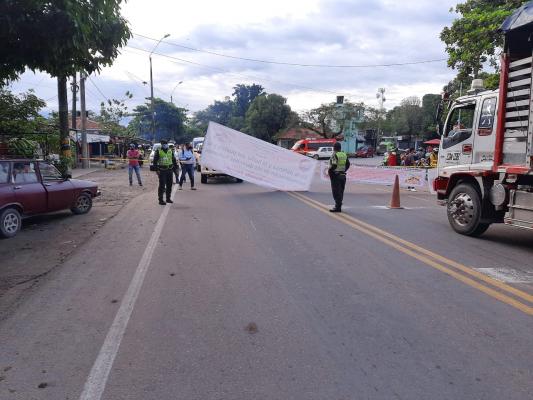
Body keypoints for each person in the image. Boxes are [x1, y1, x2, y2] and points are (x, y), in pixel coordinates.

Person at [153, 139, 178, 205]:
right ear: (161, 144)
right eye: (164, 144)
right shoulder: (158, 151)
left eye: (166, 143)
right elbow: (155, 161)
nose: (165, 145)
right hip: (162, 170)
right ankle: (160, 200)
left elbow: (173, 159)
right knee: (162, 186)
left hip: (170, 170)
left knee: (169, 185)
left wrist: (175, 168)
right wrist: (156, 170)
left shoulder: (170, 150)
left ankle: (168, 198)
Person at [328, 142, 350, 213]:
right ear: (340, 148)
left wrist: (330, 172)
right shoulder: (344, 154)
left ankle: (337, 207)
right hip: (343, 176)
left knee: (336, 192)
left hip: (336, 176)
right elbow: (348, 164)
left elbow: (334, 165)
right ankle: (339, 205)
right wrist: (343, 170)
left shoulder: (335, 155)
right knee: (340, 191)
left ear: (334, 148)